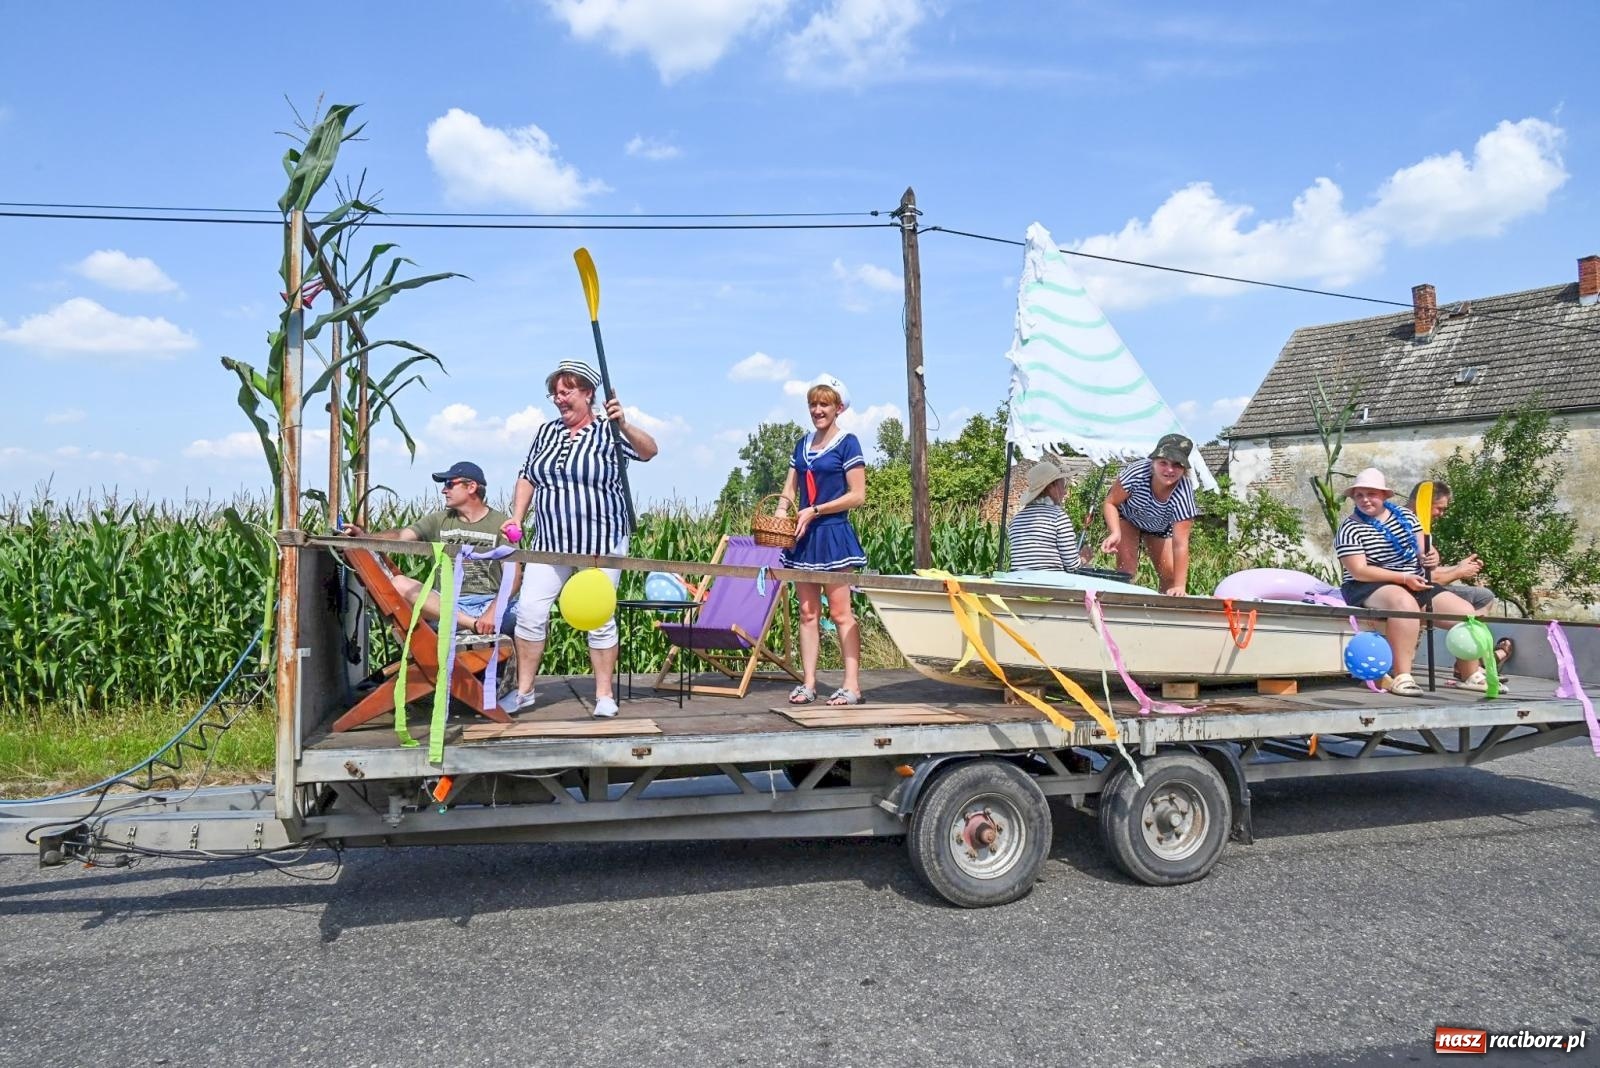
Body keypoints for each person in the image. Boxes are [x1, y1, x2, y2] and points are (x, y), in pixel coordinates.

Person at [502, 359, 658, 718]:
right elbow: (528, 475)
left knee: (598, 616)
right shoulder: (546, 432)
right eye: (554, 393)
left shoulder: (609, 432)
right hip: (550, 541)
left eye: (566, 391)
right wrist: (517, 515)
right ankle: (524, 691)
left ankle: (604, 694)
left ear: (588, 393)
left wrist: (625, 424)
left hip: (600, 542)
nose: (559, 398)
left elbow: (649, 451)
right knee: (529, 612)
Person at [1335, 468, 1488, 697]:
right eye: (1359, 495)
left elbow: (1424, 551)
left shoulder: (1407, 517)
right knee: (1404, 604)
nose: (1365, 499)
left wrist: (1432, 556)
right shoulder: (1350, 528)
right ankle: (1402, 676)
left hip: (1413, 580)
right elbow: (1359, 571)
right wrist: (1403, 578)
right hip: (1367, 585)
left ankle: (1470, 674)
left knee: (1466, 613)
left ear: (1384, 496)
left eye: (1371, 494)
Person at [775, 373, 868, 707]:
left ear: (838, 408)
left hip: (833, 534)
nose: (817, 409)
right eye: (813, 404)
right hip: (803, 536)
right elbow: (790, 488)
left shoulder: (848, 443)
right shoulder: (801, 444)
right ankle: (809, 682)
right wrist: (781, 512)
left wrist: (815, 509)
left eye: (824, 404)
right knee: (807, 612)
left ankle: (852, 685)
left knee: (842, 613)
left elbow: (857, 495)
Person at [340, 461, 517, 636]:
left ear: (471, 487)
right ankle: (469, 623)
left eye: (449, 484)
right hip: (446, 605)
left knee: (526, 615)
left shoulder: (500, 524)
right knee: (399, 583)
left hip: (489, 603)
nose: (443, 490)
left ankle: (467, 623)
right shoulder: (438, 520)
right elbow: (401, 536)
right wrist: (364, 537)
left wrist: (492, 612)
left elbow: (514, 576)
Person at [1407, 480, 1513, 677]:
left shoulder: (1421, 526)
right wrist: (1458, 573)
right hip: (1409, 590)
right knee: (1471, 608)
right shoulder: (1406, 526)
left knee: (1484, 597)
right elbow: (1423, 577)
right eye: (1440, 508)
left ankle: (1468, 661)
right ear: (1424, 502)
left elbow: (1430, 570)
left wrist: (1460, 567)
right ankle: (1472, 666)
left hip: (1423, 586)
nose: (1442, 514)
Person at [1097, 433, 1198, 595]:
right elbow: (1110, 502)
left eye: (1177, 465)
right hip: (1127, 518)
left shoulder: (1184, 494)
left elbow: (1180, 544)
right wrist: (1115, 532)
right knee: (1126, 568)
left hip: (1158, 527)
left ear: (1184, 468)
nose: (1169, 470)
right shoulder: (1136, 473)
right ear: (1153, 462)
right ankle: (1122, 609)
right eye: (1163, 463)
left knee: (1169, 575)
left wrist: (1180, 586)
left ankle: (1162, 612)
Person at [1007, 457, 1080, 571]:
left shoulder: (1015, 520)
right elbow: (1073, 566)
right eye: (1063, 486)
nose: (1065, 492)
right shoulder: (1058, 517)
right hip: (1049, 585)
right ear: (1051, 487)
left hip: (1019, 584)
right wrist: (1084, 558)